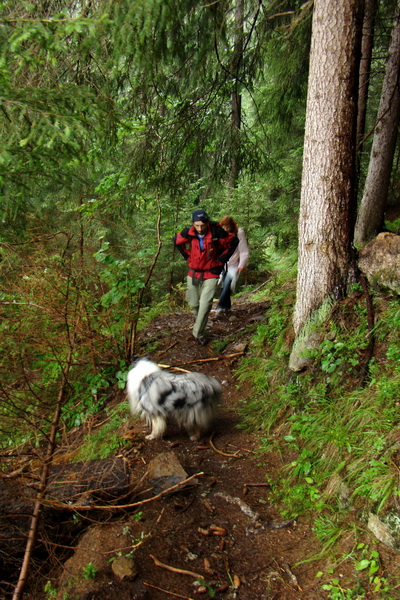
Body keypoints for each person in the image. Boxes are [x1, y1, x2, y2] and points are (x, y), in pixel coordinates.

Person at [174, 209, 238, 345]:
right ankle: (201, 325)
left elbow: (233, 241)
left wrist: (222, 259)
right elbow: (177, 240)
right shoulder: (189, 232)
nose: (199, 229)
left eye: (202, 225)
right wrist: (187, 256)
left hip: (212, 272)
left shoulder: (216, 232)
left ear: (207, 223)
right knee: (193, 303)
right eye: (196, 225)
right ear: (193, 224)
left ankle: (198, 333)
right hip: (194, 272)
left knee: (205, 304)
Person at [214, 216, 249, 312]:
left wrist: (242, 265)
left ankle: (220, 307)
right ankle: (226, 307)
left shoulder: (239, 233)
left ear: (232, 226)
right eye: (224, 226)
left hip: (234, 264)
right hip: (224, 264)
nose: (226, 229)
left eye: (228, 227)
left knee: (227, 284)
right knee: (223, 285)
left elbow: (243, 251)